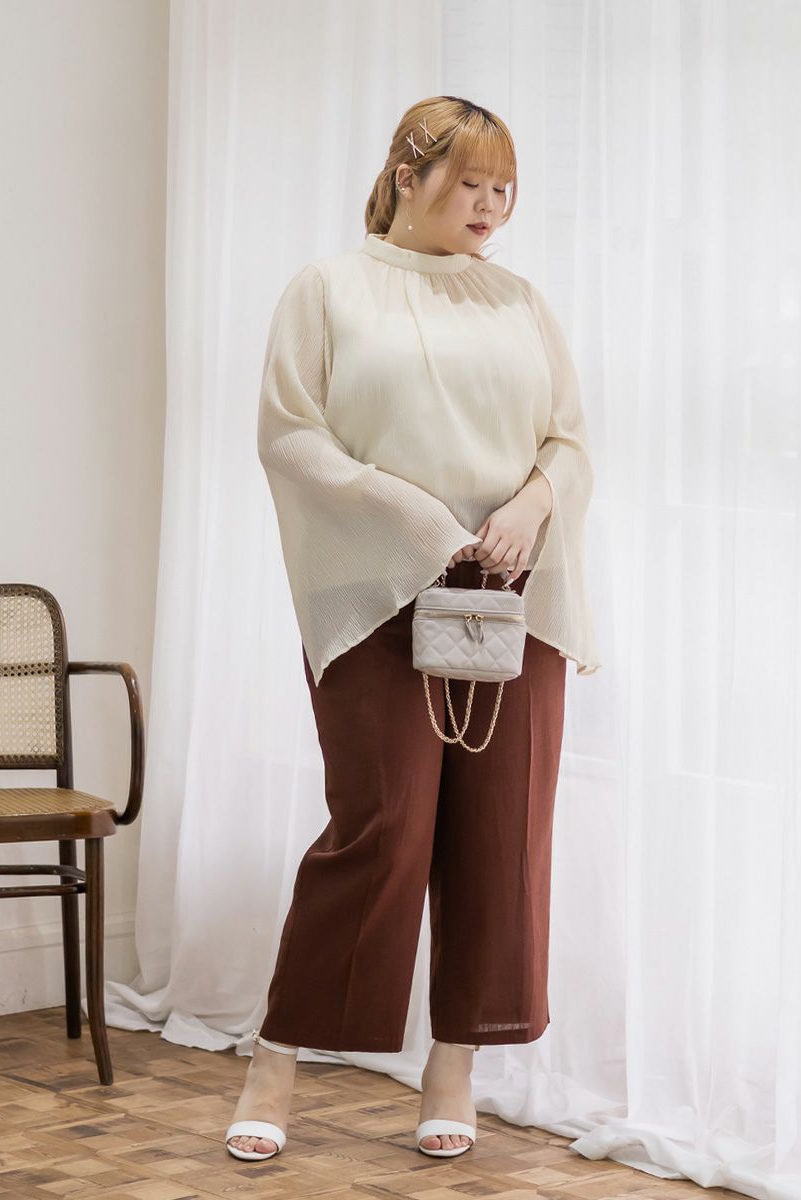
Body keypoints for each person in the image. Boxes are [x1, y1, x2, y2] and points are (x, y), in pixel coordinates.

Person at [226, 95, 601, 1164]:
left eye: (503, 188)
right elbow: (290, 437)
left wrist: (532, 504)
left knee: (501, 839)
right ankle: (275, 1060)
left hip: (510, 598)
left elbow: (570, 442)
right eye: (470, 182)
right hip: (377, 600)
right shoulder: (328, 289)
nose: (491, 205)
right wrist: (418, 519)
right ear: (406, 175)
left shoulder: (518, 300)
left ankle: (454, 1069)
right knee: (380, 828)